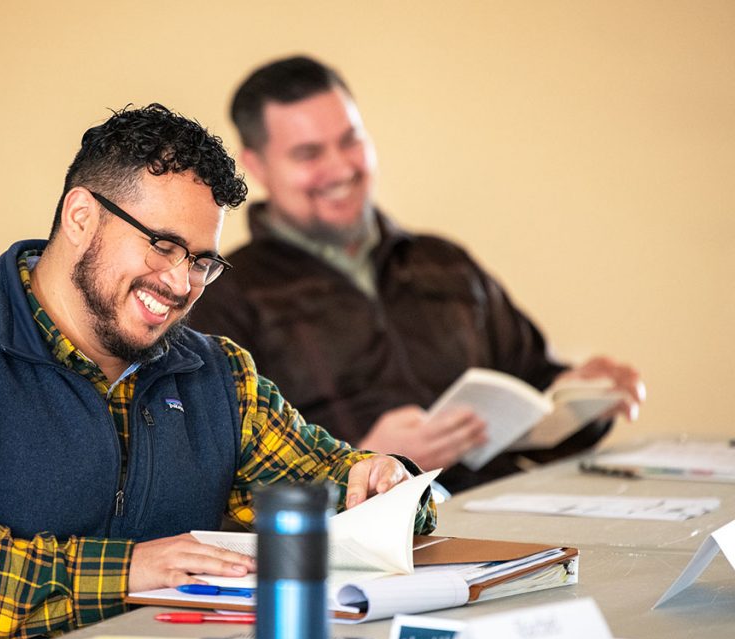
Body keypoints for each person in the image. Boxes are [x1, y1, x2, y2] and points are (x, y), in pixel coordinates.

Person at [0, 103, 436, 639]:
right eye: (162, 245)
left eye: (201, 261)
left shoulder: (217, 375)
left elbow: (331, 485)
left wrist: (387, 486)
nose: (180, 281)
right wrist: (130, 571)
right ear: (81, 216)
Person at [189, 56, 645, 493]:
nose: (340, 168)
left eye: (351, 141)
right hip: (371, 543)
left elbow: (535, 387)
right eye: (309, 153)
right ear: (257, 165)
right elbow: (221, 475)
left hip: (505, 515)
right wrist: (362, 460)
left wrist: (586, 400)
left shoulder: (444, 260)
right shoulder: (227, 294)